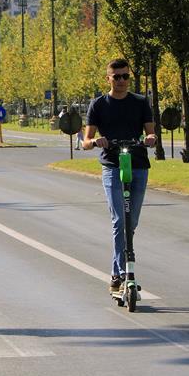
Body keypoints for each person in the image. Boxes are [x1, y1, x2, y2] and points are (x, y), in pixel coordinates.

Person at [81, 58, 157, 294]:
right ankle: (120, 273)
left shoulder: (141, 102)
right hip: (112, 165)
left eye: (125, 76)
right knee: (119, 221)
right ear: (108, 79)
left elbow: (151, 133)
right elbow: (85, 142)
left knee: (130, 222)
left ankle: (121, 271)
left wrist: (151, 140)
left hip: (138, 164)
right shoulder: (98, 105)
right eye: (117, 77)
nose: (122, 81)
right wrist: (95, 141)